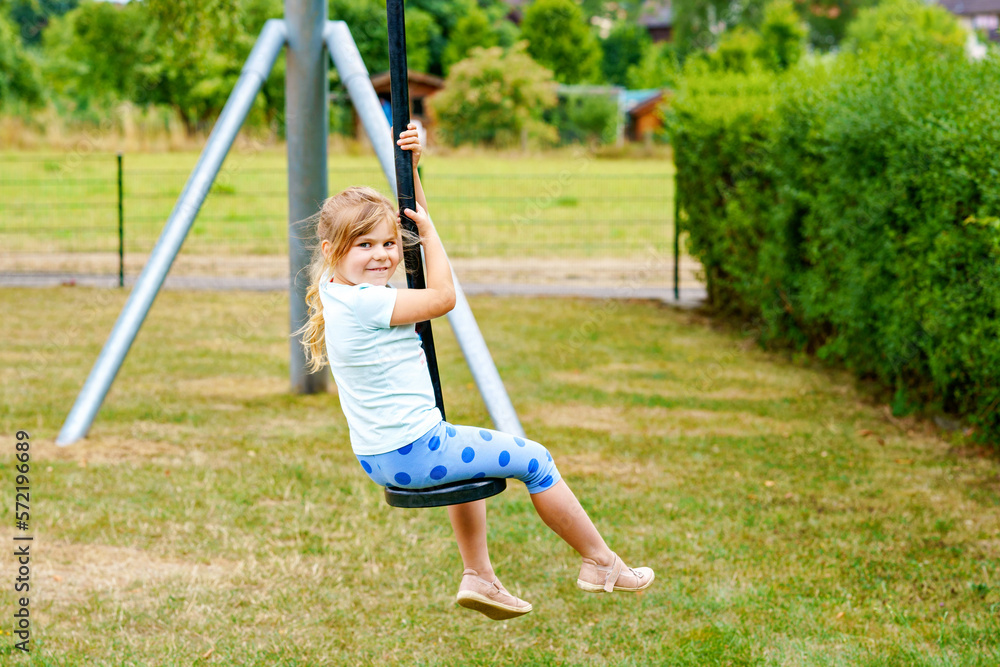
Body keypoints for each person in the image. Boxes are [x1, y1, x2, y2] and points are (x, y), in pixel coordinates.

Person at [296, 123, 654, 620]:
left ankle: (480, 578)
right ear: (333, 248)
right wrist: (433, 233)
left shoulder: (340, 292)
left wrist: (413, 171)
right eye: (364, 246)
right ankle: (601, 563)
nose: (381, 255)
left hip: (384, 453)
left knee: (470, 458)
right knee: (536, 459)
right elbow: (443, 298)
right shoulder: (365, 303)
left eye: (387, 244)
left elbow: (409, 221)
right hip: (412, 450)